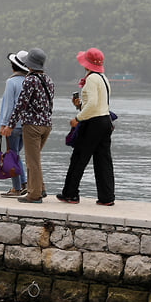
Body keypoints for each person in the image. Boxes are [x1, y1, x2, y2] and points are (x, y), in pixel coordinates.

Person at [58, 47, 115, 206]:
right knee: (103, 160)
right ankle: (107, 197)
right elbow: (99, 103)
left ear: (86, 63)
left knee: (79, 158)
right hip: (105, 121)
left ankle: (70, 194)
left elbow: (92, 104)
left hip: (92, 122)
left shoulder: (91, 79)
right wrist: (80, 105)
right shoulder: (103, 78)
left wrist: (78, 118)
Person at [3, 48, 53, 203]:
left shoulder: (30, 80)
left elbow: (21, 105)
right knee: (35, 159)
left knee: (32, 161)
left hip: (32, 125)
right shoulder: (48, 80)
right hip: (47, 125)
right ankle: (41, 188)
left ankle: (34, 195)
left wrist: (10, 125)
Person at [0, 51, 31, 197]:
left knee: (12, 156)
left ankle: (16, 188)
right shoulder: (30, 81)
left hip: (12, 125)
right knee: (16, 155)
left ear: (13, 66)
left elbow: (9, 105)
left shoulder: (11, 82)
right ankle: (24, 184)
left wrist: (4, 124)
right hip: (27, 125)